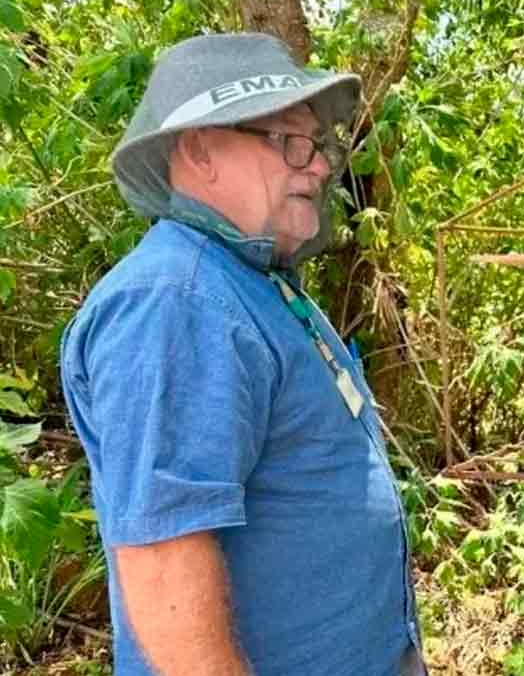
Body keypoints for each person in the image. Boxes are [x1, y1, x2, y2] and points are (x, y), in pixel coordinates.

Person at [59, 33, 425, 675]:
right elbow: (164, 561)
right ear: (199, 149)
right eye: (290, 141)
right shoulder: (179, 301)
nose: (318, 166)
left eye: (319, 145)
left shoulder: (249, 281)